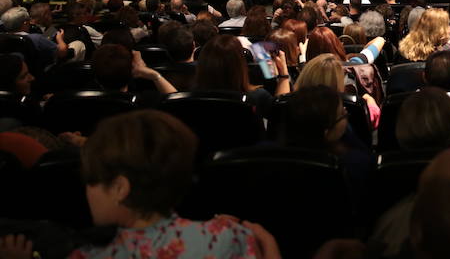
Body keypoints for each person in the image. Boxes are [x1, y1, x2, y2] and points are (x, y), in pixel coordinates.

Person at [44, 110, 276, 258]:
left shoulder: (85, 255)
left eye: (91, 180)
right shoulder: (230, 237)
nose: (87, 191)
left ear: (119, 188)